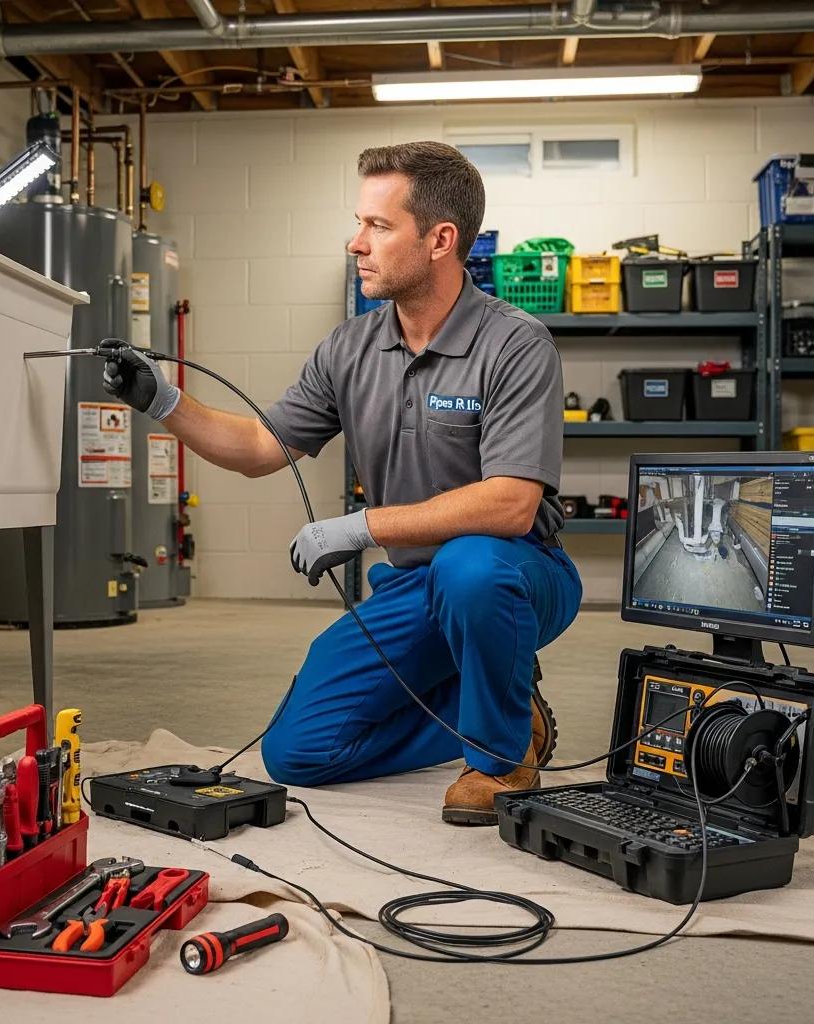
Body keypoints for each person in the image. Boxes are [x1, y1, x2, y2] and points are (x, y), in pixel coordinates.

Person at [101, 141, 582, 825]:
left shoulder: (514, 343)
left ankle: (501, 757)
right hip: (415, 587)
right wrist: (163, 401)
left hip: (517, 573)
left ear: (440, 239)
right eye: (359, 223)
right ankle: (488, 701)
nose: (356, 243)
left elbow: (510, 504)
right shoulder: (351, 348)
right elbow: (261, 447)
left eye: (378, 226)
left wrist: (360, 526)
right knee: (300, 752)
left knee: (471, 566)